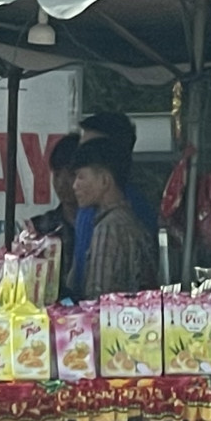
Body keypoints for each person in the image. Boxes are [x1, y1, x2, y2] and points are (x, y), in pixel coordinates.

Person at [73, 112, 155, 294]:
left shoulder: (112, 224)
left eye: (81, 176)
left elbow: (98, 296)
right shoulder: (93, 212)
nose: (74, 185)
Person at [29, 133, 81, 296]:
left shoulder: (101, 226)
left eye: (72, 174)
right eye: (57, 174)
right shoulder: (40, 227)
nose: (62, 182)